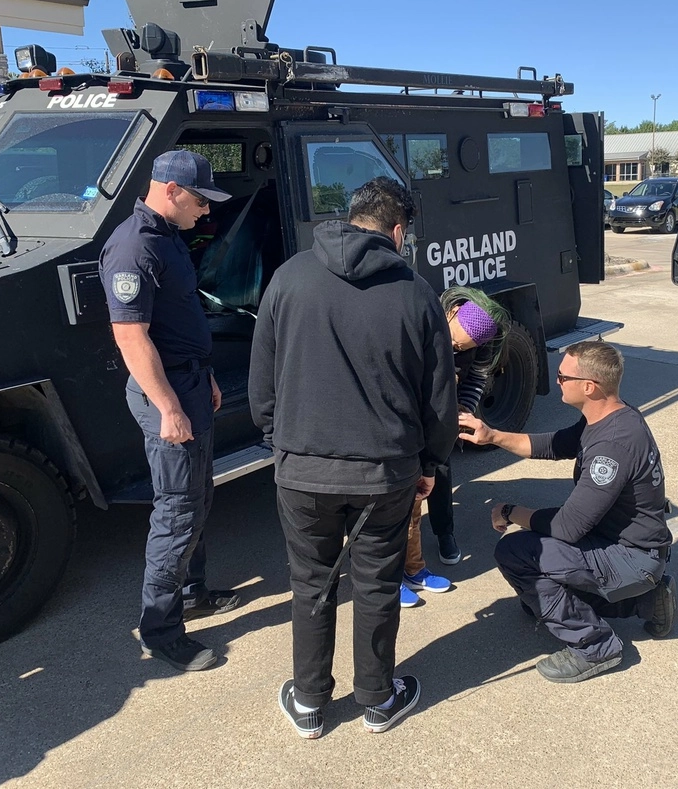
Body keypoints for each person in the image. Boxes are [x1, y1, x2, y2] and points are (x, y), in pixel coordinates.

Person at [249, 176, 458, 738]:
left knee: (311, 583)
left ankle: (311, 703)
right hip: (384, 472)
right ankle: (377, 699)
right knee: (376, 583)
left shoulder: (289, 277)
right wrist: (432, 464)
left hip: (302, 469)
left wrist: (281, 442)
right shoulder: (415, 292)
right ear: (397, 229)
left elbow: (261, 382)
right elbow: (440, 397)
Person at [458, 340, 677, 684]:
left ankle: (596, 647)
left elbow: (567, 527)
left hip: (631, 557)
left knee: (518, 553)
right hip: (626, 545)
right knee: (540, 583)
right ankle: (645, 601)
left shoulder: (613, 445)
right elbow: (553, 445)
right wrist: (492, 436)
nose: (557, 381)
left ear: (588, 387)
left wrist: (511, 511)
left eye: (562, 377)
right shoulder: (609, 415)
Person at [99, 149, 242, 674]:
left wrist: (202, 375)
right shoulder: (134, 247)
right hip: (166, 395)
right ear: (173, 191)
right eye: (201, 201)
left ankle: (192, 591)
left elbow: (175, 320)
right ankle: (160, 630)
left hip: (188, 382)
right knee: (178, 511)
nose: (206, 212)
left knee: (198, 496)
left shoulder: (166, 238)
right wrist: (169, 407)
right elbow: (130, 336)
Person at [400, 287, 510, 608]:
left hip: (442, 413)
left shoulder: (483, 343)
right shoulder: (422, 321)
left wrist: (461, 413)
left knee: (435, 474)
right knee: (398, 497)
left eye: (465, 348)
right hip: (411, 413)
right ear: (451, 312)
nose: (457, 349)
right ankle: (390, 575)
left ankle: (432, 546)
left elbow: (475, 378)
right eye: (457, 342)